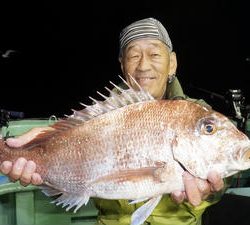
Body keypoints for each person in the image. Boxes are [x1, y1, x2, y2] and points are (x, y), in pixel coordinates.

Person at [0, 17, 225, 225]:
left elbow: (216, 175)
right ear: (122, 65)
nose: (144, 65)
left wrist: (213, 191)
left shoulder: (198, 113)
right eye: (134, 55)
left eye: (155, 54)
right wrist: (35, 153)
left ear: (172, 63)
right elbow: (68, 149)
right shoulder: (102, 116)